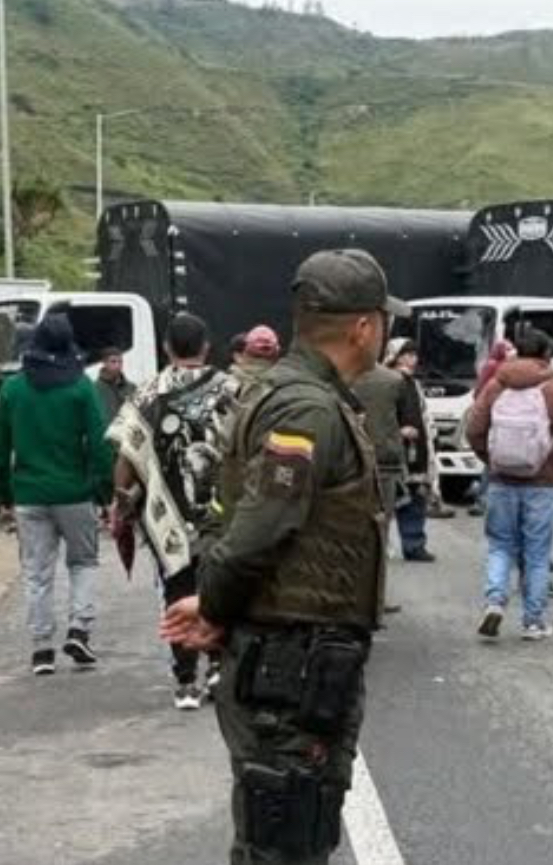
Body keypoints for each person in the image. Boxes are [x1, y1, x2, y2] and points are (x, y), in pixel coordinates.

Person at [160, 248, 402, 865]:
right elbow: (261, 526)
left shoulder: (286, 394)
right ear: (363, 327)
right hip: (294, 667)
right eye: (384, 321)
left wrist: (216, 603)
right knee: (287, 839)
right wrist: (215, 603)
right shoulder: (307, 408)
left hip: (288, 660)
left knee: (275, 838)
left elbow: (230, 512)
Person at [107, 313, 240, 710]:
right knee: (220, 589)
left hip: (166, 517)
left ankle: (185, 682)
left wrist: (121, 500)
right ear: (206, 347)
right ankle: (218, 665)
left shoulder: (146, 394)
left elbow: (126, 455)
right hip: (224, 514)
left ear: (167, 348)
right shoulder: (234, 389)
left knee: (177, 592)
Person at [0, 312, 113, 676]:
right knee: (83, 562)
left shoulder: (13, 389)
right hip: (75, 492)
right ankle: (79, 630)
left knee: (37, 572)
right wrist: (104, 492)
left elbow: (0, 448)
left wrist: (3, 494)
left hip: (28, 494)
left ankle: (42, 650)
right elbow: (100, 445)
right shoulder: (81, 388)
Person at [467, 327, 553, 641]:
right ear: (547, 353)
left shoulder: (496, 384)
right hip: (544, 481)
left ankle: (494, 602)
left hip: (502, 479)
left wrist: (490, 459)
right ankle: (534, 621)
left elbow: (475, 427)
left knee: (500, 545)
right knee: (537, 552)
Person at [352, 349, 411, 614]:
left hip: (351, 459)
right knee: (380, 531)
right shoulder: (394, 380)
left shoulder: (342, 378)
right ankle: (376, 599)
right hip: (384, 461)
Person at [385, 338, 436, 562]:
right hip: (392, 450)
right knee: (387, 499)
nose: (412, 359)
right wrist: (397, 431)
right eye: (407, 354)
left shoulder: (413, 383)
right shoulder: (385, 381)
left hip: (417, 450)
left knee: (416, 495)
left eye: (414, 355)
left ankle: (414, 543)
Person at [93, 348, 136, 426]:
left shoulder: (131, 388)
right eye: (113, 362)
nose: (117, 365)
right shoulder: (95, 389)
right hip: (106, 435)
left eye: (120, 362)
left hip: (125, 435)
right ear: (105, 363)